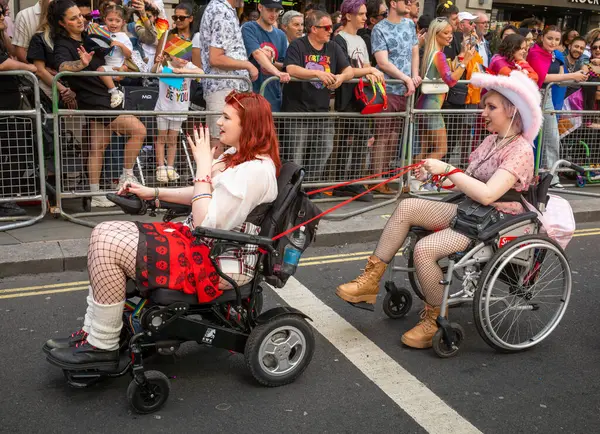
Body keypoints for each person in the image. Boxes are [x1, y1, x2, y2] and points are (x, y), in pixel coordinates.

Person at [44, 92, 280, 369]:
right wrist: (152, 193)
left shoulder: (256, 171)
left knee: (108, 242)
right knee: (103, 233)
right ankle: (93, 334)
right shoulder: (237, 157)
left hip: (217, 261)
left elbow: (207, 224)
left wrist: (203, 166)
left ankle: (102, 347)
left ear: (249, 124)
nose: (218, 122)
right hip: (199, 245)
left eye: (227, 117)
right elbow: (200, 194)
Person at [336, 71, 542, 349]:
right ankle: (369, 282)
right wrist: (433, 176)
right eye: (485, 106)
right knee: (407, 206)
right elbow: (464, 182)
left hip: (496, 220)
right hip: (473, 211)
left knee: (425, 250)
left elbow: (487, 193)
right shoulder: (490, 142)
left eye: (491, 107)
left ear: (512, 110)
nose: (484, 112)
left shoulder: (521, 150)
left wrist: (447, 168)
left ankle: (434, 318)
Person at [52, 0, 146, 207]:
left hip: (103, 95)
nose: (80, 20)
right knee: (138, 130)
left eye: (80, 15)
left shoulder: (90, 35)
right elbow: (62, 66)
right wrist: (81, 64)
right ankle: (126, 176)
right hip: (95, 99)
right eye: (73, 17)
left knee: (98, 147)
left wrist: (120, 71)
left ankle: (95, 194)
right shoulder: (63, 44)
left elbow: (110, 60)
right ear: (62, 23)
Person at [282, 10, 353, 185]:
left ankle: (311, 188)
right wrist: (317, 73)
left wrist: (341, 78)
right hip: (298, 111)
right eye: (327, 27)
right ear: (314, 28)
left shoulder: (333, 47)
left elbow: (349, 70)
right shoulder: (298, 45)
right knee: (295, 155)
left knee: (324, 149)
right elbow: (290, 68)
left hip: (321, 111)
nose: (331, 30)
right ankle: (293, 192)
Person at [331, 0, 384, 200]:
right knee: (352, 139)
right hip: (347, 97)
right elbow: (347, 69)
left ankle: (350, 182)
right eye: (361, 14)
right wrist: (369, 70)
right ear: (349, 15)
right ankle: (344, 183)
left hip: (362, 97)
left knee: (359, 140)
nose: (364, 17)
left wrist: (369, 72)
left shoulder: (361, 39)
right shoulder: (339, 40)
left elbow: (365, 65)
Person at [527, 25, 588, 187]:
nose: (553, 42)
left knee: (552, 137)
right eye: (550, 38)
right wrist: (573, 75)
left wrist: (579, 77)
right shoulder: (534, 52)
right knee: (531, 138)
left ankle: (550, 177)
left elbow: (560, 79)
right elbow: (543, 77)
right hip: (533, 96)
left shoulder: (557, 54)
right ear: (542, 38)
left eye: (556, 39)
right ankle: (531, 175)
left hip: (548, 99)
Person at [370, 0, 420, 194]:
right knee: (383, 136)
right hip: (387, 89)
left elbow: (415, 51)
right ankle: (376, 180)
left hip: (405, 90)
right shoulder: (379, 29)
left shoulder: (409, 24)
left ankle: (385, 178)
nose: (409, 4)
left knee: (394, 136)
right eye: (406, 1)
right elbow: (382, 62)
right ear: (393, 3)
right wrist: (406, 78)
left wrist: (414, 76)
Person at [414, 17, 474, 162]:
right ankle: (420, 178)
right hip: (431, 107)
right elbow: (451, 80)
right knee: (441, 149)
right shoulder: (439, 55)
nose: (450, 36)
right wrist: (465, 61)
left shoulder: (431, 52)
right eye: (446, 33)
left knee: (424, 149)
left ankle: (414, 180)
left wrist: (461, 59)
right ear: (436, 34)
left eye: (451, 33)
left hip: (424, 105)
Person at [200, 0, 257, 147]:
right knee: (219, 140)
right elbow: (216, 58)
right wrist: (248, 65)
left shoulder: (223, 9)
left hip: (226, 87)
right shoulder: (221, 11)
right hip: (223, 88)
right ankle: (212, 171)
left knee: (226, 140)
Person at [0, 2, 37, 218]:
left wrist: (4, 32)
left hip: (11, 103)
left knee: (18, 148)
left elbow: (11, 53)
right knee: (14, 149)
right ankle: (5, 200)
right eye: (2, 14)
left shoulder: (3, 33)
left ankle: (8, 197)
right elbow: (3, 64)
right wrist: (30, 68)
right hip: (4, 106)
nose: (4, 17)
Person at [152, 54, 204, 183]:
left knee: (173, 140)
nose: (184, 60)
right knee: (161, 139)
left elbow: (201, 72)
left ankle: (170, 167)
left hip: (179, 110)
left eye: (187, 57)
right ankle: (161, 167)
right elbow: (154, 71)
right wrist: (158, 62)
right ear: (172, 56)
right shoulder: (166, 65)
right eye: (180, 56)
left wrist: (181, 71)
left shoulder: (188, 66)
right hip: (163, 109)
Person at [241, 0, 290, 112]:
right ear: (260, 7)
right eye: (269, 10)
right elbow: (257, 53)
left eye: (277, 10)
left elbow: (284, 65)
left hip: (273, 95)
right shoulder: (249, 27)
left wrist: (272, 62)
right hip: (251, 95)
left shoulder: (281, 35)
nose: (274, 14)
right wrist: (276, 71)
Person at [27, 0, 77, 107]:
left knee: (76, 122)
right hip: (50, 90)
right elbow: (40, 70)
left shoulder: (74, 36)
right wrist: (64, 90)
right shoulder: (39, 38)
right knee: (52, 121)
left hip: (75, 89)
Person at [94, 4, 131, 108]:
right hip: (106, 66)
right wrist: (94, 26)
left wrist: (121, 45)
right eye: (110, 20)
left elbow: (128, 54)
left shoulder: (124, 37)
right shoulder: (102, 31)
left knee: (100, 70)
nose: (113, 23)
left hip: (116, 68)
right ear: (105, 20)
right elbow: (91, 29)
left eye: (117, 21)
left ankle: (115, 92)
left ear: (123, 22)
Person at [357, 0, 387, 66]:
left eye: (387, 12)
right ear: (373, 20)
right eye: (384, 14)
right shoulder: (367, 39)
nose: (387, 16)